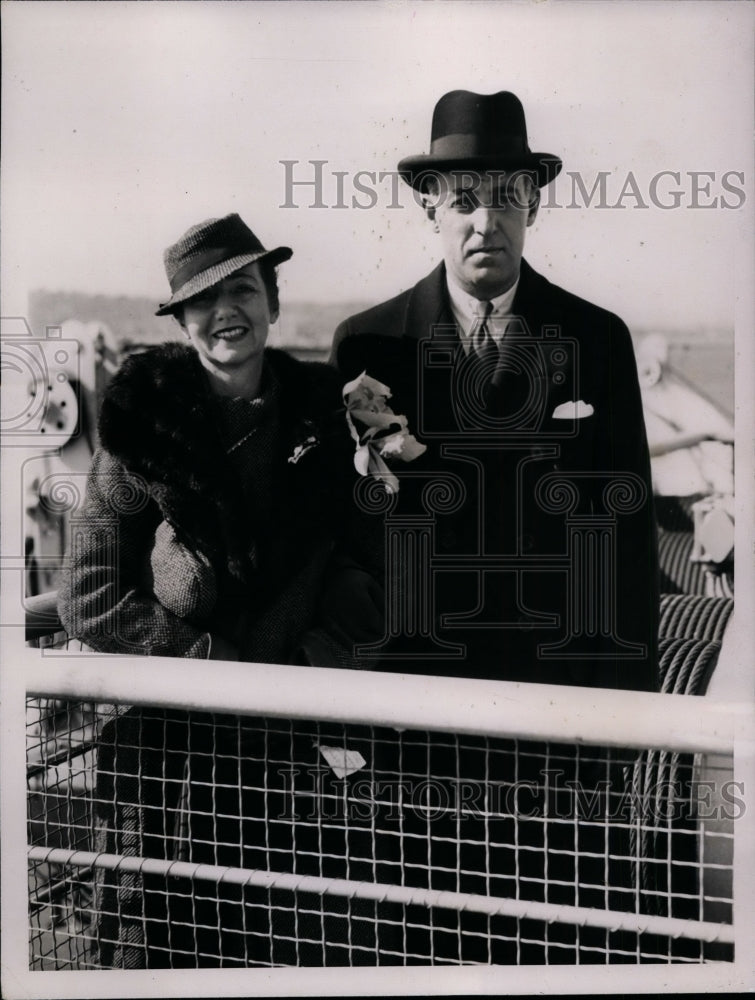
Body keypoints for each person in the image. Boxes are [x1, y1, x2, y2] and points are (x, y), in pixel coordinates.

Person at [57, 213, 381, 967]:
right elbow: (88, 592)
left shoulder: (324, 418)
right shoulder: (147, 427)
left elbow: (370, 566)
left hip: (287, 744)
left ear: (272, 300)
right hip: (168, 760)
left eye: (241, 288)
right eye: (201, 301)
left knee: (285, 945)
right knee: (157, 952)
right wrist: (204, 657)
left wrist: (312, 668)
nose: (224, 312)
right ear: (181, 319)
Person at [332, 90, 659, 694]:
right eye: (464, 202)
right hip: (415, 691)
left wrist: (628, 713)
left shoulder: (598, 340)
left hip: (556, 689)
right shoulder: (366, 347)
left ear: (533, 206)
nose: (487, 223)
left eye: (507, 198)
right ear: (431, 209)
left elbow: (630, 538)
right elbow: (349, 538)